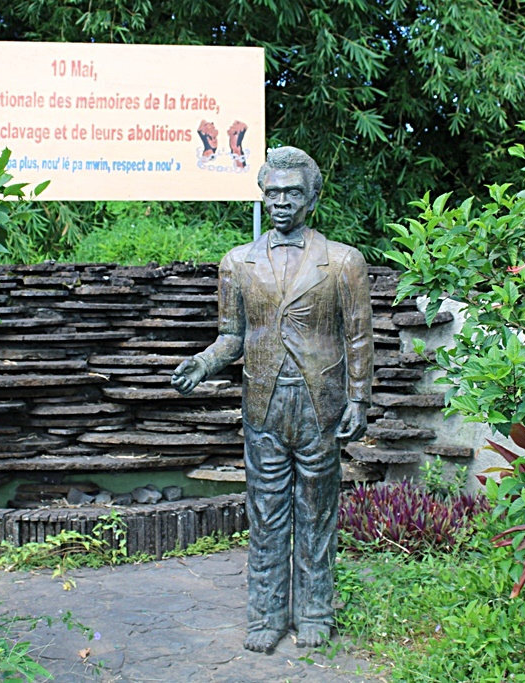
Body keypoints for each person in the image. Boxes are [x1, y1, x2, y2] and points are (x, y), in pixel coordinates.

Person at [171, 146, 374, 653]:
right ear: (263, 195)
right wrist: (202, 362)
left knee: (317, 511)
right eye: (273, 192)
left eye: (292, 193)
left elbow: (358, 337)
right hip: (262, 404)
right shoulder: (238, 263)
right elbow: (231, 336)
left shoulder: (343, 262)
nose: (281, 201)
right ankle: (265, 615)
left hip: (319, 404)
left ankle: (315, 612)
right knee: (265, 511)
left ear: (312, 198)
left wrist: (358, 398)